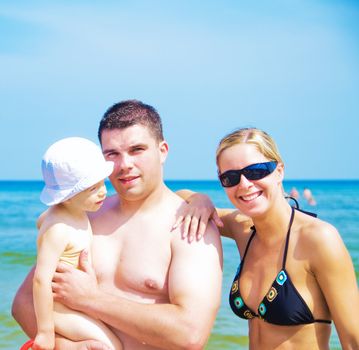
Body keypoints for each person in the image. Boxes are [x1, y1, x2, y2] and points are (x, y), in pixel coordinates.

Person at [12, 100, 223, 350]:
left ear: (163, 150)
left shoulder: (191, 226)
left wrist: (92, 299)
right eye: (112, 154)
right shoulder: (84, 216)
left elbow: (190, 334)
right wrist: (70, 347)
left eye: (137, 150)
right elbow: (25, 302)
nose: (124, 165)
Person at [179, 127, 359, 349]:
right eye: (231, 177)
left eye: (256, 171)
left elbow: (353, 341)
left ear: (279, 171)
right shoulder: (242, 229)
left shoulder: (318, 238)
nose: (244, 184)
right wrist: (200, 199)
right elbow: (176, 197)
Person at [32, 137, 123, 350]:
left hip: (74, 301)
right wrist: (45, 332)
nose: (103, 192)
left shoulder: (72, 211)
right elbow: (40, 281)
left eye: (102, 183)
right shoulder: (59, 228)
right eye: (92, 188)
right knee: (111, 347)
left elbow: (40, 221)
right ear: (67, 197)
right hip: (59, 309)